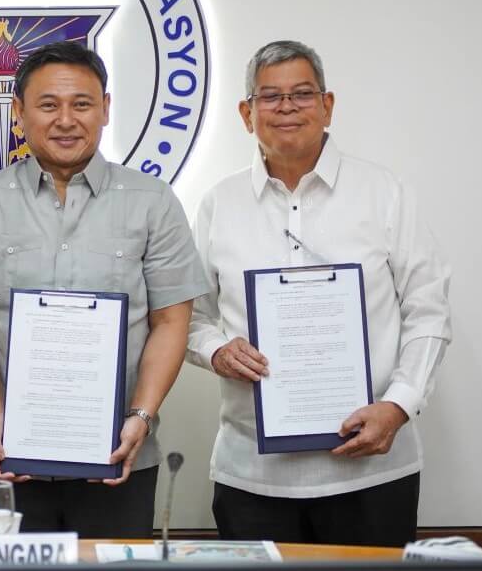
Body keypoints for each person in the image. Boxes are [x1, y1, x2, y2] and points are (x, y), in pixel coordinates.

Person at [187, 40, 451, 546]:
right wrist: (214, 349)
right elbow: (192, 317)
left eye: (302, 94)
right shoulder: (218, 204)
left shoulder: (384, 193)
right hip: (252, 474)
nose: (286, 107)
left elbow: (430, 310)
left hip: (372, 472)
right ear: (247, 113)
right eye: (270, 97)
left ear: (327, 106)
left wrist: (399, 405)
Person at [0, 41, 205, 537]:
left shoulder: (153, 202)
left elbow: (171, 320)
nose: (66, 119)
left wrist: (141, 415)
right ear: (18, 112)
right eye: (47, 105)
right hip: (7, 456)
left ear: (105, 108)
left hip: (119, 456)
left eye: (81, 104)